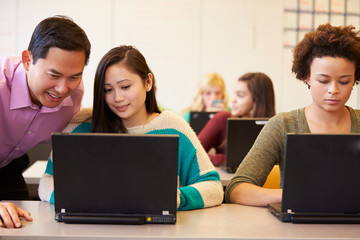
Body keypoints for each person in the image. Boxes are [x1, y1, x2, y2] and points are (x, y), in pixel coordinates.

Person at [39, 45, 223, 211]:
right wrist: (78, 200)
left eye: (125, 86)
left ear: (148, 82)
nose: (117, 98)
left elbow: (213, 187)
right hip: (90, 228)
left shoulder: (173, 127)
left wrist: (173, 198)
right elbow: (48, 181)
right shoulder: (82, 124)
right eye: (108, 90)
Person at [225, 23, 360, 206]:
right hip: (296, 229)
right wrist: (292, 194)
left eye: (344, 82)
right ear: (307, 77)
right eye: (323, 80)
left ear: (354, 79)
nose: (333, 90)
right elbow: (237, 189)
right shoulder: (283, 125)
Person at [0, 15, 91, 228]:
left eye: (74, 76)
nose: (62, 89)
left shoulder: (74, 94)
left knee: (23, 226)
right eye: (54, 75)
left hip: (9, 168)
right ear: (27, 60)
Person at [198, 72, 276, 166]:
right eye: (235, 94)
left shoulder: (275, 126)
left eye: (240, 95)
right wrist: (225, 160)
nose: (233, 100)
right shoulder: (222, 119)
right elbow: (193, 153)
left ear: (257, 100)